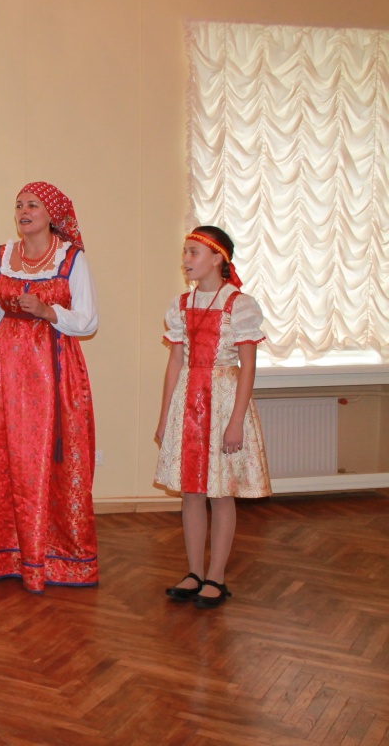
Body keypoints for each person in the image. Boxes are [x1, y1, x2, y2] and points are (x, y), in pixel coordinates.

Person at [0, 182, 99, 592]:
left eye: (32, 205)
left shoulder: (72, 258)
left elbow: (89, 319)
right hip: (9, 371)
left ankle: (57, 558)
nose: (23, 211)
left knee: (51, 459)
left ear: (52, 215)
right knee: (11, 458)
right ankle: (10, 554)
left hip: (54, 371)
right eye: (19, 205)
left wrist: (49, 311)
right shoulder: (1, 256)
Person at [155, 226, 270, 608]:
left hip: (222, 402)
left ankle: (216, 576)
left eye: (193, 252)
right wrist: (165, 416)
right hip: (188, 402)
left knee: (220, 492)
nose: (186, 259)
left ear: (217, 257)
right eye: (185, 252)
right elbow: (175, 362)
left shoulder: (239, 304)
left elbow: (248, 366)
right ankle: (193, 571)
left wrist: (236, 421)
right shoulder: (180, 305)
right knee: (191, 492)